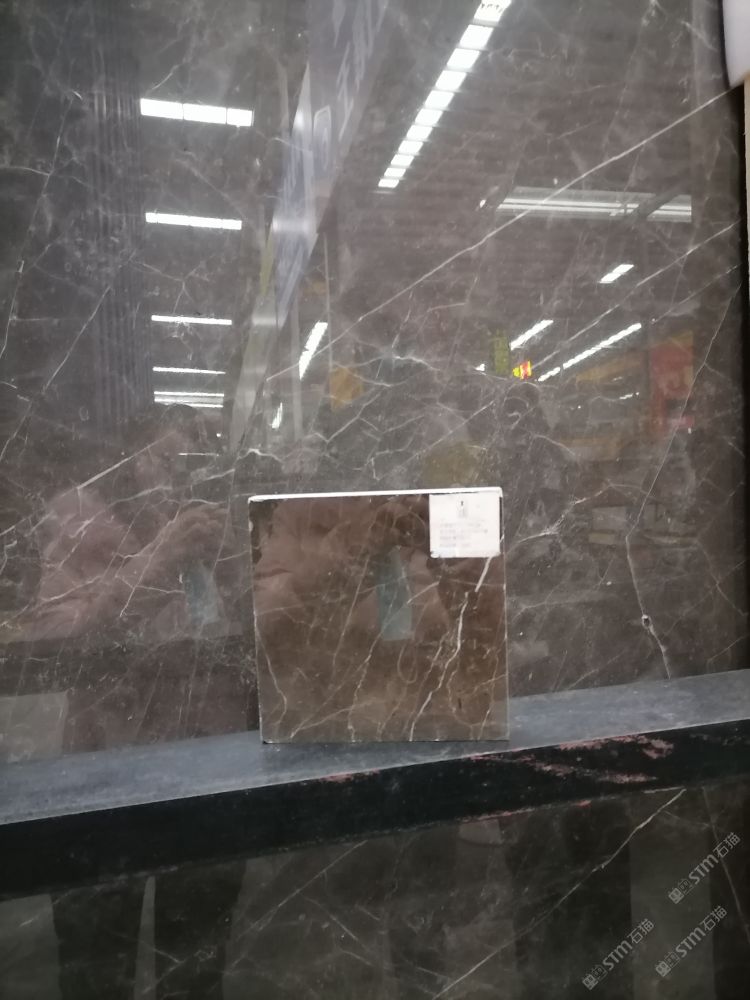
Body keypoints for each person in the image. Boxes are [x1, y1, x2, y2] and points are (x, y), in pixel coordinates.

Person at [17, 403, 247, 999]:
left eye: (194, 462)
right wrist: (157, 560)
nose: (178, 477)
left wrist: (237, 561)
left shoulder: (221, 527)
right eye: (166, 460)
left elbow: (260, 638)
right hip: (105, 774)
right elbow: (53, 642)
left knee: (197, 963)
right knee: (97, 962)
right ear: (130, 464)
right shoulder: (81, 526)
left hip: (208, 771)